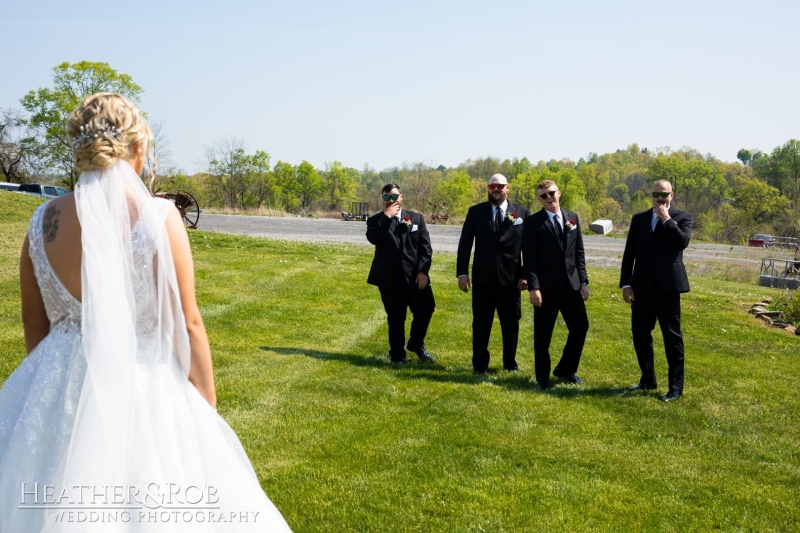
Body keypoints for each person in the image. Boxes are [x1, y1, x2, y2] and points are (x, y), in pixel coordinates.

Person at [0, 93, 292, 531]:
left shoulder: (42, 221)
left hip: (54, 381)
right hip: (143, 386)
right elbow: (189, 324)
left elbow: (34, 328)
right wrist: (205, 412)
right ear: (136, 147)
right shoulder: (158, 216)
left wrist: (44, 400)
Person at [620, 179, 692, 402]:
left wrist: (666, 219)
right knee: (640, 335)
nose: (660, 199)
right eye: (656, 194)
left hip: (668, 288)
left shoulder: (682, 218)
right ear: (651, 195)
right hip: (642, 287)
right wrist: (626, 283)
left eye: (664, 194)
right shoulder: (639, 219)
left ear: (672, 195)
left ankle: (675, 388)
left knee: (672, 338)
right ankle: (647, 379)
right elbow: (629, 252)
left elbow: (682, 242)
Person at [456, 174, 529, 373]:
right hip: (483, 279)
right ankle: (479, 365)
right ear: (488, 188)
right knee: (480, 324)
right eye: (492, 185)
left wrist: (525, 275)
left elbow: (528, 248)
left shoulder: (522, 213)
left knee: (511, 324)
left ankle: (510, 364)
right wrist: (462, 273)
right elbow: (465, 244)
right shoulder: (476, 212)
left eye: (500, 186)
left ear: (508, 188)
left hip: (511, 280)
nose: (496, 189)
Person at [522, 180, 590, 390]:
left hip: (571, 286)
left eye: (551, 193)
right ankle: (543, 378)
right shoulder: (533, 222)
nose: (549, 197)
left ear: (559, 193)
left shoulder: (572, 218)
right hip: (546, 289)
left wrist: (584, 281)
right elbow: (530, 257)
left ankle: (566, 370)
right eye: (543, 196)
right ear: (540, 200)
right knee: (543, 336)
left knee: (580, 327)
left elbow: (578, 252)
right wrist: (534, 287)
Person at [366, 184, 436, 364]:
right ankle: (397, 356)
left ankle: (415, 344)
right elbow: (374, 238)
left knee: (426, 308)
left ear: (401, 197)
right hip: (390, 279)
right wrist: (387, 216)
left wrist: (422, 271)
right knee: (396, 318)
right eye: (387, 197)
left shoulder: (416, 218)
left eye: (394, 196)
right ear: (382, 199)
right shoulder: (375, 221)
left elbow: (425, 247)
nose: (391, 200)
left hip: (415, 276)